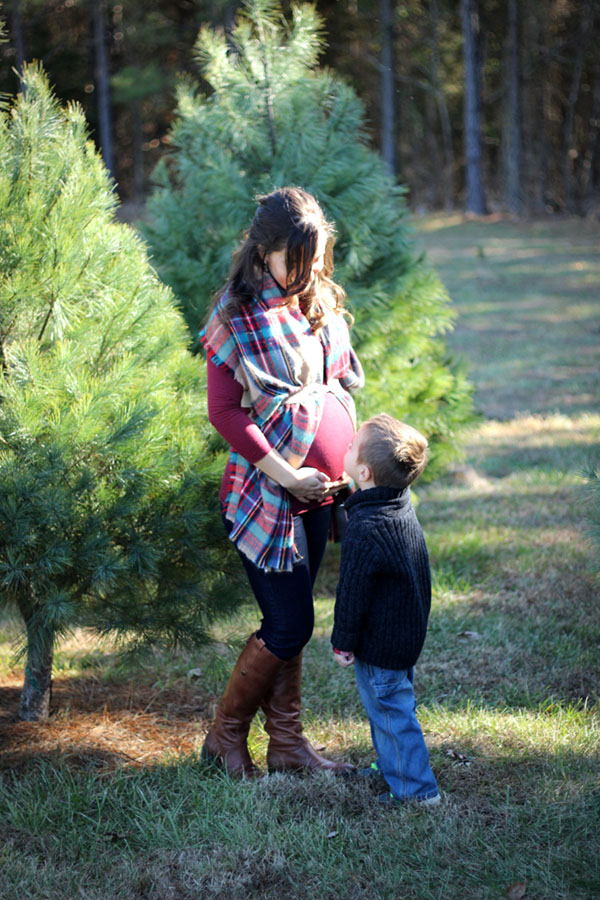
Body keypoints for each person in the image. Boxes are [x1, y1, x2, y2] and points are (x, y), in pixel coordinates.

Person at [199, 186, 364, 777]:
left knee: (294, 622)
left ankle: (289, 746)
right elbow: (225, 413)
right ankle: (225, 737)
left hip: (318, 494)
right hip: (266, 493)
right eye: (298, 259)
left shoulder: (314, 301)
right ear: (264, 250)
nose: (309, 270)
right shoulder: (236, 314)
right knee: (289, 623)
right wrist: (289, 474)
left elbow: (339, 386)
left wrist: (345, 469)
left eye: (317, 258)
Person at [331, 413, 441, 806]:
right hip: (403, 632)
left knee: (392, 713)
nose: (343, 447)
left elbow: (352, 592)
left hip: (381, 643)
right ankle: (394, 764)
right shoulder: (396, 503)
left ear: (363, 471)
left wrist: (343, 641)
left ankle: (416, 791)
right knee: (389, 707)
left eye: (349, 446)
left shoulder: (366, 528)